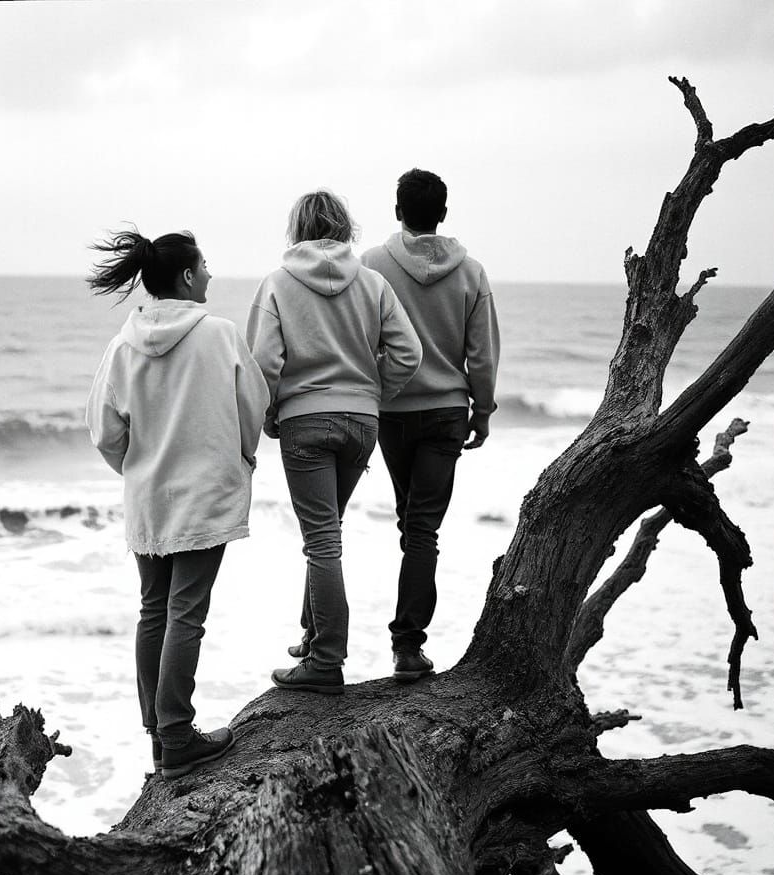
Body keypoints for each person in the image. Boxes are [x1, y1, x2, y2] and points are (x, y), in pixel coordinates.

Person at [85, 228, 268, 778]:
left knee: (153, 610)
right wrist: (243, 458)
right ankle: (177, 735)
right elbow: (252, 406)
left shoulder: (122, 343)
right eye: (205, 265)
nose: (211, 273)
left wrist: (138, 468)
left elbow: (103, 429)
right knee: (186, 612)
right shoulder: (219, 335)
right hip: (205, 492)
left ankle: (159, 739)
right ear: (187, 276)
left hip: (149, 496)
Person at [247, 190, 422, 695]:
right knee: (327, 531)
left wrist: (271, 412)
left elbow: (263, 362)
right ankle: (313, 633)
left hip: (306, 421)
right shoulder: (373, 283)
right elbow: (408, 353)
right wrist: (371, 393)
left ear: (296, 229)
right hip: (362, 424)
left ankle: (326, 660)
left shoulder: (278, 284)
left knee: (322, 539)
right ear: (346, 228)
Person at [360, 168, 500, 681]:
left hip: (390, 410)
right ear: (442, 214)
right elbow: (481, 354)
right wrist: (481, 411)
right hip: (445, 413)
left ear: (398, 211)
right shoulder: (471, 273)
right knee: (422, 529)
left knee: (410, 523)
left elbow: (359, 335)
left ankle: (382, 644)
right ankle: (407, 647)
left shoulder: (372, 265)